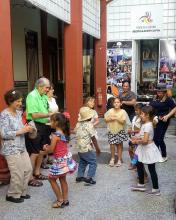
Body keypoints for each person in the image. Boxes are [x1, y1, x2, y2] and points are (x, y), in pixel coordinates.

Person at [0, 90, 33, 203]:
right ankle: (12, 195)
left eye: (21, 101)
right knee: (17, 172)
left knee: (28, 169)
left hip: (21, 146)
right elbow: (4, 134)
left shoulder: (18, 112)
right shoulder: (4, 115)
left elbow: (21, 126)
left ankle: (22, 192)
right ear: (10, 101)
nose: (20, 103)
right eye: (18, 101)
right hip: (11, 149)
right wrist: (21, 131)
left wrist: (27, 127)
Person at [42, 113, 76, 208]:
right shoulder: (64, 133)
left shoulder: (55, 136)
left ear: (56, 122)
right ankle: (65, 200)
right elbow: (59, 147)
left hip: (59, 162)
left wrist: (45, 148)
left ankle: (60, 200)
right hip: (65, 159)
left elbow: (51, 150)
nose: (50, 122)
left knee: (51, 179)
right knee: (62, 179)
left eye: (51, 120)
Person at [25, 77, 52, 186]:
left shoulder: (43, 96)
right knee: (34, 152)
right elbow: (34, 115)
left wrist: (50, 116)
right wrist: (50, 115)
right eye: (46, 88)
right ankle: (29, 177)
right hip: (35, 125)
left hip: (44, 125)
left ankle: (37, 172)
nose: (48, 90)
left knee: (41, 150)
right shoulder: (32, 96)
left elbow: (46, 110)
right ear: (40, 86)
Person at [131, 106, 162, 196]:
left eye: (142, 114)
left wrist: (136, 141)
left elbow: (145, 141)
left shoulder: (148, 125)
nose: (140, 115)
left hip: (148, 149)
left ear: (147, 115)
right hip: (143, 149)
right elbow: (143, 137)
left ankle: (156, 189)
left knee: (151, 169)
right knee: (139, 164)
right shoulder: (145, 124)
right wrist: (137, 137)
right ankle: (141, 184)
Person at [150, 83, 176, 162]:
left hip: (163, 120)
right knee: (155, 138)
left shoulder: (168, 99)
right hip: (154, 120)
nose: (159, 93)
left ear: (164, 92)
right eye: (158, 92)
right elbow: (150, 107)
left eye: (161, 92)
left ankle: (164, 155)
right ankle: (156, 155)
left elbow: (174, 108)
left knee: (160, 138)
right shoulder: (154, 98)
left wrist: (167, 116)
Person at [75, 107, 101, 185]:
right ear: (90, 117)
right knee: (93, 162)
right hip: (86, 148)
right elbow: (93, 138)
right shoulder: (90, 125)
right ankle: (89, 178)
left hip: (79, 148)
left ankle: (79, 176)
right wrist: (97, 148)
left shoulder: (79, 124)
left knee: (83, 161)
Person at [104, 97, 130, 167]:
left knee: (119, 145)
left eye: (118, 102)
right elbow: (105, 119)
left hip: (120, 130)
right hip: (111, 130)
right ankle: (112, 158)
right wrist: (110, 118)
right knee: (112, 145)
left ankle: (119, 159)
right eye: (115, 102)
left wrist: (116, 118)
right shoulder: (110, 111)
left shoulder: (123, 111)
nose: (116, 104)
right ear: (113, 104)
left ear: (121, 104)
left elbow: (123, 121)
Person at [128, 103, 143, 170]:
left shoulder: (142, 119)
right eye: (135, 110)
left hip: (138, 137)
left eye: (137, 110)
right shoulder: (134, 117)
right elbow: (132, 125)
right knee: (130, 150)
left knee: (136, 152)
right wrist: (130, 129)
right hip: (132, 137)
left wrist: (133, 131)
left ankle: (135, 164)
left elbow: (141, 129)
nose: (135, 111)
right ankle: (133, 163)